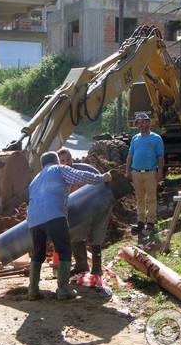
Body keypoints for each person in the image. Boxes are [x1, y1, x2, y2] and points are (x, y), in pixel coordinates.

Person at [27, 151, 112, 301]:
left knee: (38, 253)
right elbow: (80, 176)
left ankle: (32, 291)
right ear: (56, 161)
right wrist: (102, 178)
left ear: (42, 165)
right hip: (54, 215)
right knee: (65, 250)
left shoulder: (35, 179)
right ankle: (63, 290)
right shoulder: (59, 169)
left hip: (33, 220)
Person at [57, 148, 110, 277]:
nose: (66, 163)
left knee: (96, 234)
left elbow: (101, 182)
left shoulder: (84, 170)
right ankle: (81, 265)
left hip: (99, 202)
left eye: (68, 159)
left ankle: (97, 268)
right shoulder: (58, 176)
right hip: (79, 208)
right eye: (62, 161)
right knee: (75, 233)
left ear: (72, 159)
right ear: (58, 163)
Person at [125, 113, 165, 233]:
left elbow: (160, 157)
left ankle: (151, 222)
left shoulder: (156, 138)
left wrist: (160, 172)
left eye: (142, 122)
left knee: (151, 199)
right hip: (136, 173)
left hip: (150, 173)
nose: (140, 125)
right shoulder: (135, 138)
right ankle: (141, 222)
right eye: (138, 123)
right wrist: (128, 171)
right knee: (140, 198)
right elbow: (130, 156)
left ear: (148, 123)